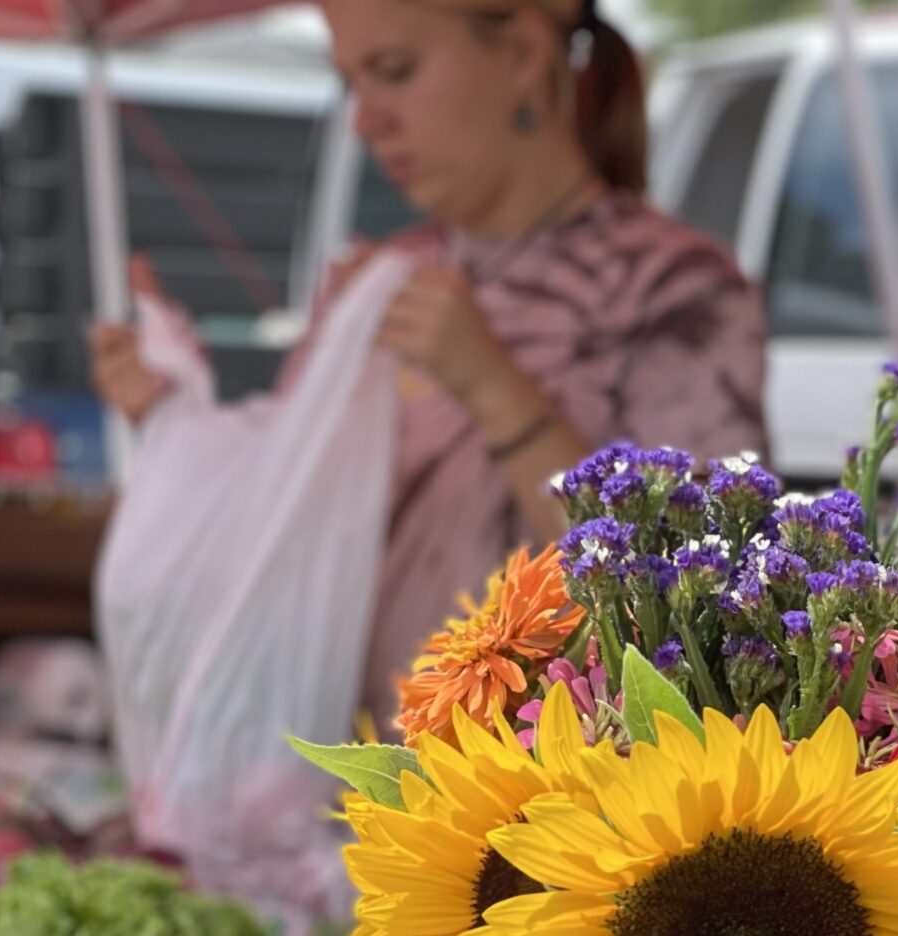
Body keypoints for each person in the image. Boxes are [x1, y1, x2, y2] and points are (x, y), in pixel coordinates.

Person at [89, 0, 766, 725]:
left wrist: (493, 386)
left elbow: (705, 594)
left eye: (395, 72)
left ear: (521, 54)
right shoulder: (381, 285)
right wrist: (173, 423)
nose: (366, 121)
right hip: (358, 779)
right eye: (353, 83)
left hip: (565, 793)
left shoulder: (673, 288)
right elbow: (281, 534)